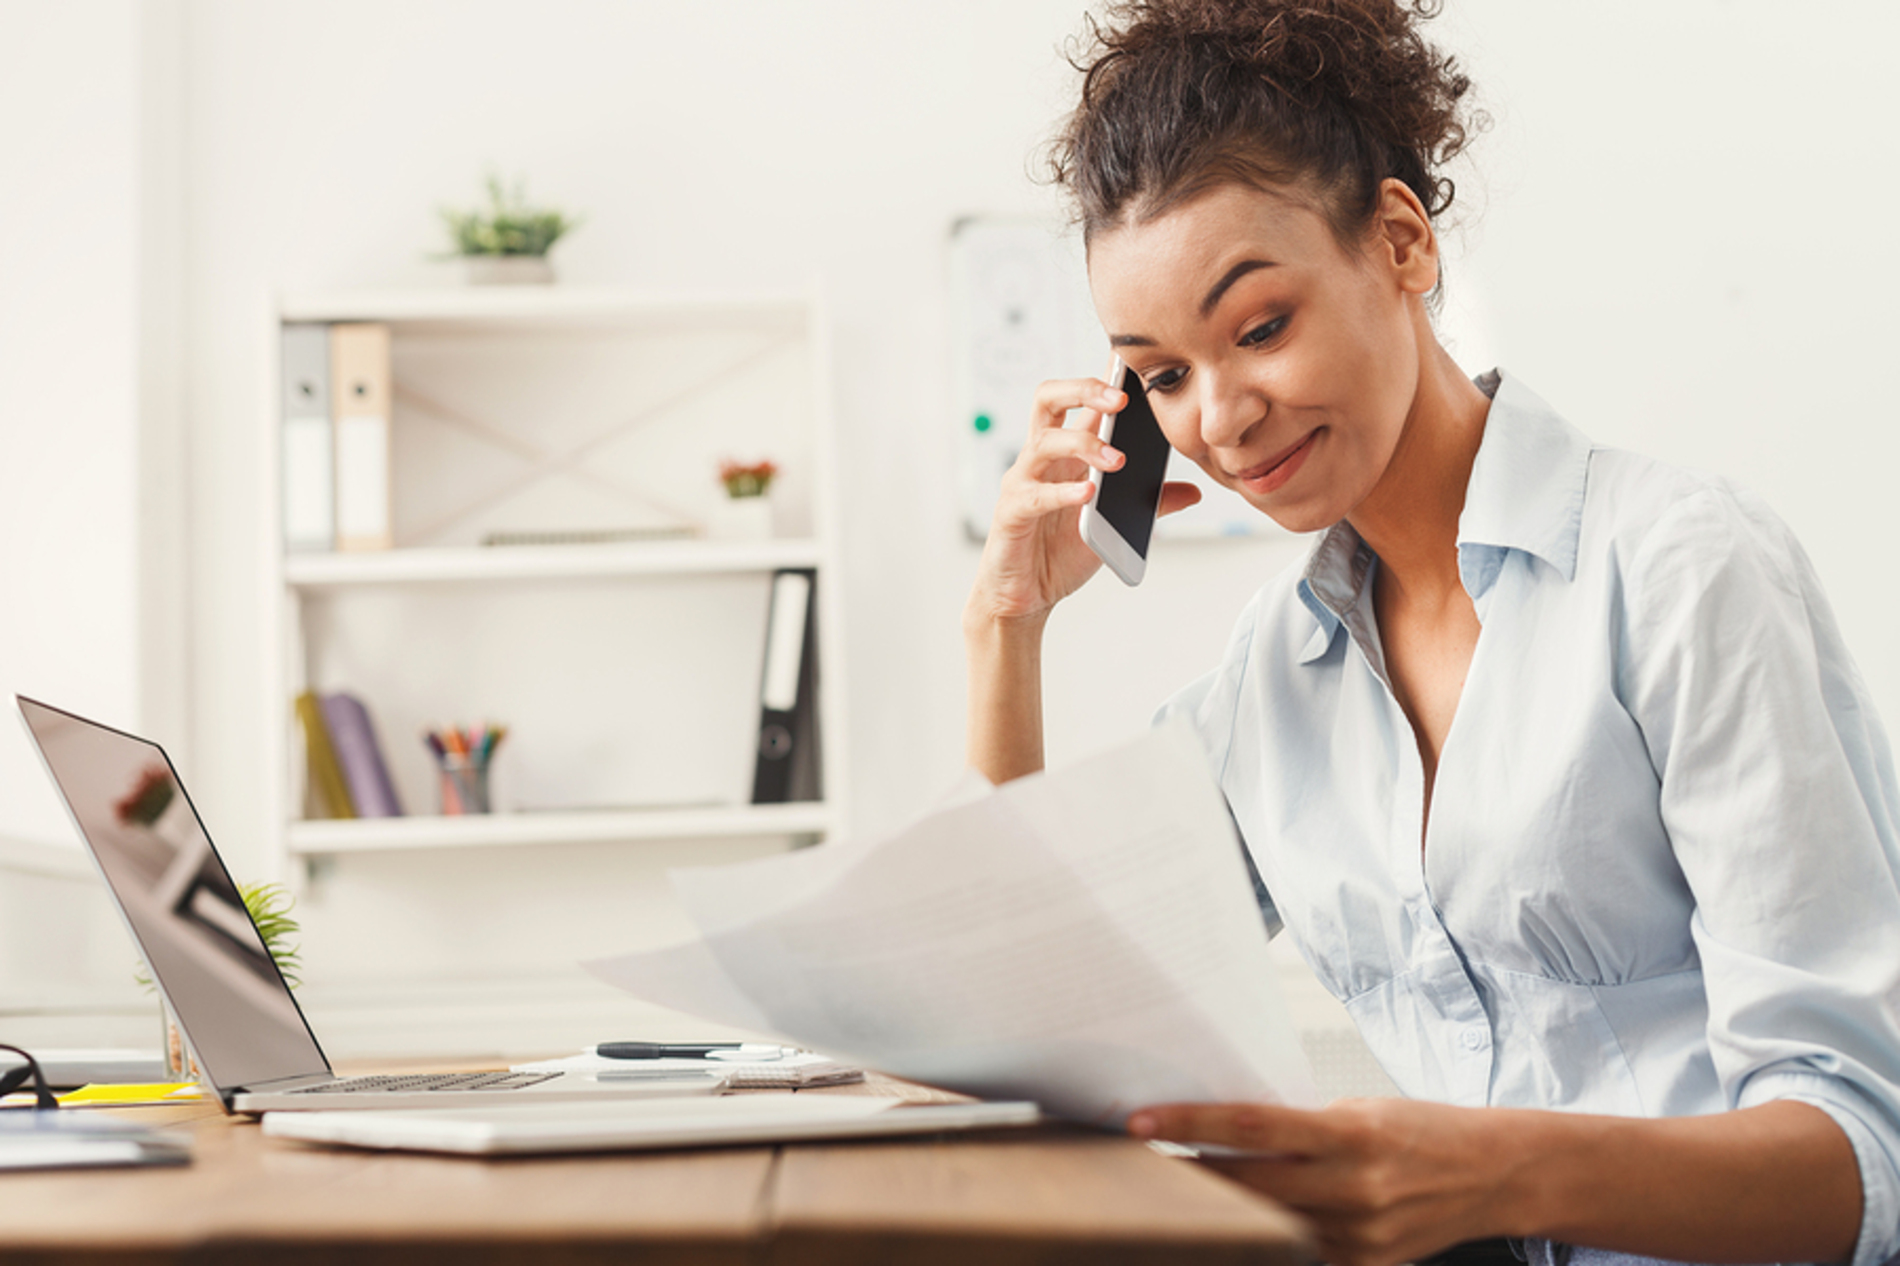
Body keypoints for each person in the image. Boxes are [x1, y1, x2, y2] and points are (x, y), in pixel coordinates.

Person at [962, 2, 1900, 1264]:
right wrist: (1004, 627)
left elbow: (1860, 1160)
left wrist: (1493, 1173)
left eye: (1259, 327)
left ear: (1400, 244)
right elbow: (1042, 1009)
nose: (1223, 418)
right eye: (1164, 375)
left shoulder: (1679, 567)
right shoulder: (1271, 682)